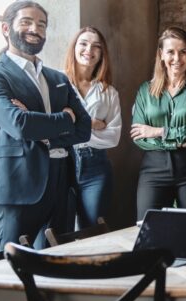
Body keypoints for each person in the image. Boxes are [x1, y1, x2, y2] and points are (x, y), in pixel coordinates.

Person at [0, 1, 91, 250]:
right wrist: (66, 118)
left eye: (41, 24)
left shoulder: (58, 78)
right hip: (19, 184)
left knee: (58, 259)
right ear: (6, 29)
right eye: (26, 22)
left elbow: (84, 128)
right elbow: (20, 125)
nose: (35, 29)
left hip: (62, 181)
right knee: (9, 264)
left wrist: (47, 135)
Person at [131, 27, 186, 220]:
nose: (177, 58)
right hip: (154, 167)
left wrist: (159, 131)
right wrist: (181, 138)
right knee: (147, 225)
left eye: (183, 52)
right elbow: (138, 136)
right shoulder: (145, 91)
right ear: (161, 55)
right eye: (170, 52)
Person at [62, 26, 121, 229]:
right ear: (74, 47)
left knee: (93, 229)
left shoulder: (109, 92)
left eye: (96, 46)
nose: (89, 50)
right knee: (61, 230)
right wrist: (93, 125)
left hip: (96, 167)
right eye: (84, 44)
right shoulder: (57, 83)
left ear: (102, 53)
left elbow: (113, 137)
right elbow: (52, 128)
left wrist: (73, 126)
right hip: (62, 163)